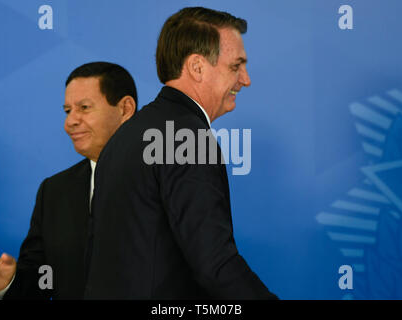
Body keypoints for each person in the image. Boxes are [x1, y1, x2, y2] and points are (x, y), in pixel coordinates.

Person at [85, 7, 278, 299]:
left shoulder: (125, 135)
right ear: (197, 67)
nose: (246, 79)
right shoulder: (186, 137)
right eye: (235, 66)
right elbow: (215, 265)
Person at [0, 62, 137, 299]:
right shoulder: (54, 192)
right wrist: (7, 284)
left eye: (84, 107)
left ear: (125, 109)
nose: (69, 122)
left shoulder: (173, 181)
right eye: (67, 111)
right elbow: (41, 281)